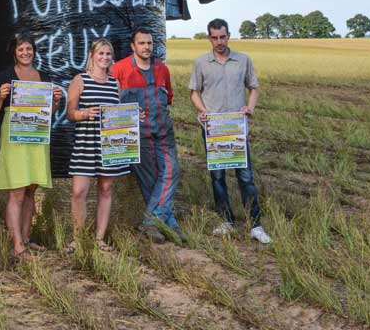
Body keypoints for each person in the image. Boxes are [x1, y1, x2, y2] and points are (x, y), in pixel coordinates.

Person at [190, 19, 271, 244]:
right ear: (209, 38)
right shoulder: (201, 63)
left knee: (245, 177)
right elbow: (194, 92)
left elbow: (253, 88)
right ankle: (226, 221)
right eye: (214, 37)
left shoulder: (243, 60)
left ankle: (256, 225)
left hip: (236, 128)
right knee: (217, 176)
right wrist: (202, 110)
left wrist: (250, 108)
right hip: (213, 128)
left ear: (229, 35)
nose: (219, 41)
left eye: (222, 37)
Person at [0, 34, 64, 260]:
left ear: (34, 51)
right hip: (15, 137)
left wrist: (56, 102)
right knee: (17, 191)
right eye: (21, 49)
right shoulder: (5, 76)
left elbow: (49, 113)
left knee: (31, 189)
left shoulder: (43, 76)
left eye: (29, 49)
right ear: (14, 52)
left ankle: (25, 238)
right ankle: (16, 246)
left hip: (37, 134)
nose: (25, 53)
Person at [111, 28, 181, 243]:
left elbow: (168, 97)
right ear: (133, 46)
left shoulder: (162, 69)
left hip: (163, 132)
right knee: (150, 181)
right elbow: (112, 104)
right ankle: (170, 226)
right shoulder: (119, 69)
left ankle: (150, 222)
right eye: (141, 43)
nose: (146, 47)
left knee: (172, 172)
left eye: (149, 43)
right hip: (138, 137)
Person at [66, 38, 129, 252]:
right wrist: (84, 114)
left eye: (108, 54)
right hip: (85, 142)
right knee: (78, 191)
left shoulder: (114, 83)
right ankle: (78, 238)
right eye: (100, 53)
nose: (104, 57)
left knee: (106, 188)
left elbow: (117, 114)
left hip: (109, 145)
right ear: (92, 55)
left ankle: (99, 239)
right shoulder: (80, 80)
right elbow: (70, 114)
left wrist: (131, 118)